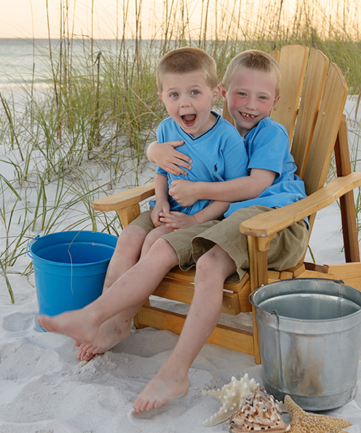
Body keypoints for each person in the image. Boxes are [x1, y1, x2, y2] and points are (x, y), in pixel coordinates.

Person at [39, 49, 309, 414]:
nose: (250, 104)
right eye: (241, 94)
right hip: (227, 218)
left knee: (202, 261)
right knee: (141, 238)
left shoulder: (264, 134)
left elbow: (254, 186)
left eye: (262, 97)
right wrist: (154, 152)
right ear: (224, 92)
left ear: (275, 101)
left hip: (271, 220)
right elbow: (172, 162)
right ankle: (112, 321)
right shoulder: (211, 128)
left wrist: (197, 197)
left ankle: (168, 364)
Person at [67, 46, 248, 362]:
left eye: (194, 92)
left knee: (152, 240)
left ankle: (122, 321)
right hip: (169, 208)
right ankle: (106, 314)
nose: (185, 103)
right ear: (162, 97)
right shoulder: (167, 129)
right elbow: (162, 174)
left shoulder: (227, 139)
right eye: (174, 95)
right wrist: (160, 201)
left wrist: (195, 220)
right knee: (129, 238)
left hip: (208, 218)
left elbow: (233, 194)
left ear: (215, 93)